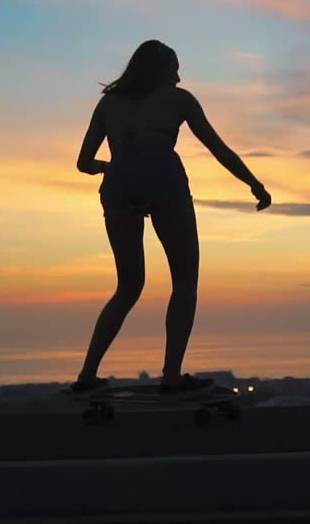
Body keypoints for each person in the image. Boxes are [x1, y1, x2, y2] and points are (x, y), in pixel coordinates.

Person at [67, 39, 272, 398]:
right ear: (161, 70)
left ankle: (86, 377)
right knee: (185, 281)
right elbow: (218, 148)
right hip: (165, 186)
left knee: (128, 287)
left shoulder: (109, 102)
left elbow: (84, 163)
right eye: (175, 70)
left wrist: (110, 169)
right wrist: (254, 184)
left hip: (118, 190)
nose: (178, 78)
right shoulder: (179, 99)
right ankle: (171, 376)